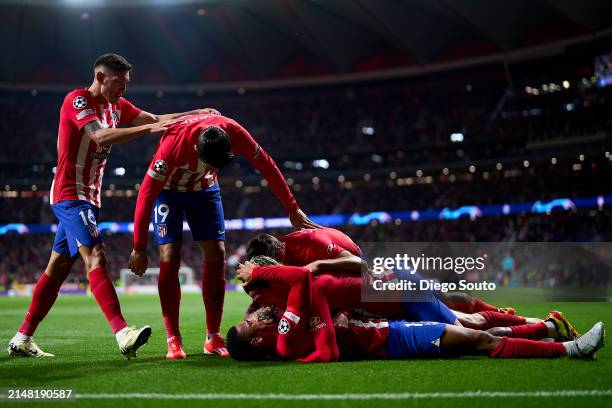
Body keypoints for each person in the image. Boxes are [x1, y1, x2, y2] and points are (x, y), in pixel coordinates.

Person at [7, 53, 218, 359]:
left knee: (58, 267)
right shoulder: (77, 101)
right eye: (119, 82)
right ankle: (123, 333)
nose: (124, 89)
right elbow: (100, 135)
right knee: (96, 255)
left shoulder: (117, 106)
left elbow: (156, 120)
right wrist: (147, 130)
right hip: (69, 193)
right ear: (101, 76)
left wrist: (197, 114)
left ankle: (22, 338)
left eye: (126, 83)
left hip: (90, 196)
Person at [128, 113, 319, 359]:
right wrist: (139, 247)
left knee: (217, 253)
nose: (211, 168)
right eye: (208, 162)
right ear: (196, 148)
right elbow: (145, 194)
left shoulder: (235, 132)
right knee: (169, 256)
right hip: (168, 193)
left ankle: (213, 336)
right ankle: (173, 339)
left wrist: (292, 208)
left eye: (216, 165)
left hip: (205, 191)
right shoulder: (172, 146)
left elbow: (267, 165)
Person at [228, 259, 604, 362]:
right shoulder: (284, 336)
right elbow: (301, 285)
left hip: (389, 321)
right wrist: (260, 272)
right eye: (250, 324)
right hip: (391, 338)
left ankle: (549, 331)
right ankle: (566, 346)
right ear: (258, 339)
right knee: (476, 333)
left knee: (475, 327)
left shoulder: (279, 323)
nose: (255, 314)